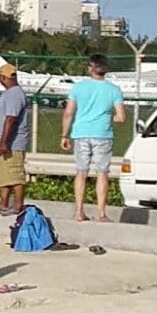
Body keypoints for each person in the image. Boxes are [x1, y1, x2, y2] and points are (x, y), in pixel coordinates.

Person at [62, 54, 128, 224]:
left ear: (90, 68)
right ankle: (101, 213)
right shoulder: (114, 90)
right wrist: (109, 117)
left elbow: (69, 113)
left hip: (81, 132)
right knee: (102, 173)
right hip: (102, 133)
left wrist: (64, 134)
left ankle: (79, 211)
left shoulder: (78, 88)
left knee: (81, 172)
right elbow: (121, 117)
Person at [0, 63, 34, 216]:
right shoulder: (9, 93)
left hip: (12, 144)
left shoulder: (15, 94)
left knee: (15, 175)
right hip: (5, 143)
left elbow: (11, 119)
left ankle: (17, 206)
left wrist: (4, 142)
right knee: (4, 175)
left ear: (3, 77)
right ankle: (3, 203)